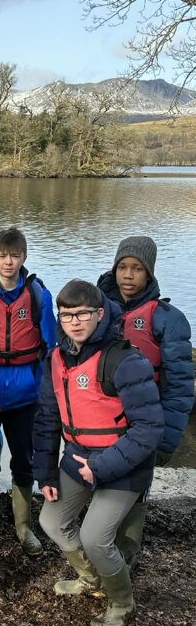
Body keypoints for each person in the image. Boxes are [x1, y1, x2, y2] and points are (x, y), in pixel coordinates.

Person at [34, 279, 163, 626]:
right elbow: (46, 419)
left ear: (100, 314)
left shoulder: (125, 360)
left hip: (124, 464)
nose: (74, 322)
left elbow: (149, 428)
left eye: (83, 314)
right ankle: (91, 577)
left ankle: (122, 601)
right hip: (79, 458)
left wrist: (101, 467)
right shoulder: (55, 359)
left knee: (94, 537)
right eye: (66, 315)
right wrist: (46, 473)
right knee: (51, 521)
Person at [97, 236, 193, 566]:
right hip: (103, 420)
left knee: (135, 489)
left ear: (149, 273)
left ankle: (126, 554)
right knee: (101, 482)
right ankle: (102, 550)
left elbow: (179, 386)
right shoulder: (97, 310)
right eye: (122, 267)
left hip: (143, 423)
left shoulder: (167, 319)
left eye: (136, 268)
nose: (128, 275)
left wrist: (167, 439)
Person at [0, 227, 56, 556]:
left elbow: (51, 347)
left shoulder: (39, 296)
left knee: (23, 459)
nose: (8, 262)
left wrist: (47, 391)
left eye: (15, 256)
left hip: (25, 395)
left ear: (24, 257)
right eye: (2, 256)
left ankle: (23, 525)